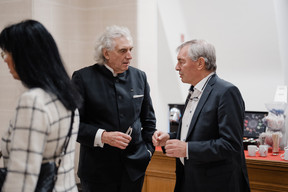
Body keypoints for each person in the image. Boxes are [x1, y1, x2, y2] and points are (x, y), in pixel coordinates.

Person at [153, 39, 250, 192]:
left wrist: (187, 149)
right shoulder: (194, 90)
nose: (176, 67)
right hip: (189, 179)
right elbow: (196, 133)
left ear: (200, 63)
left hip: (215, 184)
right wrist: (170, 138)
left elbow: (231, 145)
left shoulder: (226, 92)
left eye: (181, 62)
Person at [0, 20, 82, 191]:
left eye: (7, 52)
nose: (5, 59)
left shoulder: (33, 101)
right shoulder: (68, 97)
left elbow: (21, 180)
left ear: (26, 56)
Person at [72, 25, 156, 192]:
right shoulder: (83, 78)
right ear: (106, 53)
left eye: (130, 50)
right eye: (123, 51)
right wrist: (103, 136)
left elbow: (148, 120)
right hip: (97, 173)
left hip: (134, 170)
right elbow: (72, 125)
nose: (129, 56)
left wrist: (147, 151)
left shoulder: (139, 76)